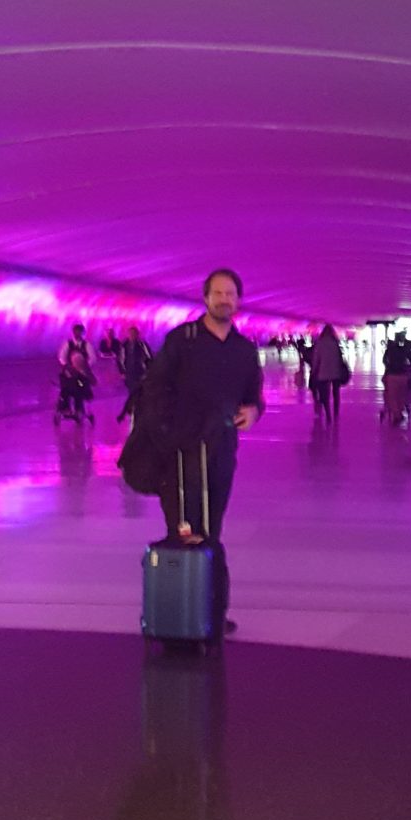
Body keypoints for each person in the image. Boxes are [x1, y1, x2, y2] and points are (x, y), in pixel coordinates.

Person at [142, 268, 265, 634]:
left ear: (238, 301)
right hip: (180, 453)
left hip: (222, 449)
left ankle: (208, 610)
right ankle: (177, 609)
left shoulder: (244, 350)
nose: (224, 300)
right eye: (217, 293)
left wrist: (254, 410)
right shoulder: (183, 341)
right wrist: (167, 432)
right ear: (205, 298)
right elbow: (155, 387)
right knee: (183, 527)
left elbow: (253, 395)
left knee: (211, 528)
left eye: (230, 294)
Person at [56, 323, 98, 422]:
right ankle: (65, 408)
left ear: (83, 333)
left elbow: (93, 358)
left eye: (80, 332)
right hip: (70, 372)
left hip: (82, 373)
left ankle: (79, 409)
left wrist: (83, 366)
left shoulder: (87, 345)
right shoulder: (68, 344)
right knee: (65, 389)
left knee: (79, 390)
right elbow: (62, 357)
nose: (77, 334)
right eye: (76, 332)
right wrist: (68, 366)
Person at [310, 324, 347, 423]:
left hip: (323, 372)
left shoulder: (320, 343)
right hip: (336, 372)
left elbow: (316, 359)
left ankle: (328, 414)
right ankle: (336, 413)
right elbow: (340, 358)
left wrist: (313, 371)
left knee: (324, 394)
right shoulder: (335, 343)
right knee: (336, 393)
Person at [116, 326, 153, 423]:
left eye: (134, 334)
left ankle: (130, 411)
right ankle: (131, 410)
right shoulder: (124, 345)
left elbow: (149, 357)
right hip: (129, 373)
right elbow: (120, 359)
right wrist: (122, 372)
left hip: (140, 373)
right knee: (132, 391)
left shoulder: (142, 345)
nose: (132, 336)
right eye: (130, 334)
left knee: (136, 391)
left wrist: (148, 371)